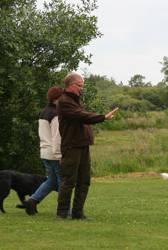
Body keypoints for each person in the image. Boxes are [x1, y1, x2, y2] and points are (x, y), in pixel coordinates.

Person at [56, 73, 118, 220]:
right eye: (80, 86)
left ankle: (78, 213)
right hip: (72, 146)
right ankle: (62, 213)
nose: (82, 89)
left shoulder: (75, 100)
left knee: (84, 180)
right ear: (71, 85)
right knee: (69, 180)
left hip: (82, 145)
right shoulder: (64, 101)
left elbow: (82, 117)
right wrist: (103, 117)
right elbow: (81, 116)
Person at [23, 86, 64, 215]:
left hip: (44, 151)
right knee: (63, 182)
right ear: (58, 99)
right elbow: (57, 136)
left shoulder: (44, 112)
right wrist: (59, 155)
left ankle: (33, 199)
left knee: (51, 180)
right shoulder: (56, 114)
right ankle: (65, 210)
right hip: (54, 152)